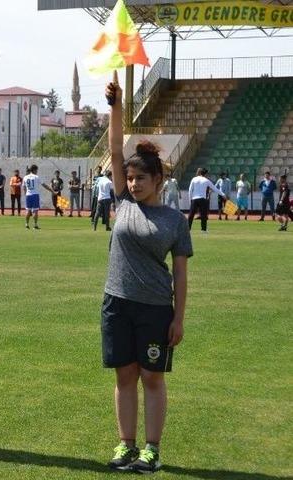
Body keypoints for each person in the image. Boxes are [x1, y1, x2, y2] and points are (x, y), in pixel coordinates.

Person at [103, 76, 192, 474]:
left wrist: (178, 317)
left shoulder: (175, 220)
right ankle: (126, 444)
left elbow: (181, 272)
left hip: (156, 308)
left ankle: (151, 450)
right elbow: (114, 148)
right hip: (116, 303)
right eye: (131, 178)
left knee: (152, 379)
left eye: (142, 179)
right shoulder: (122, 201)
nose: (135, 184)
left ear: (159, 181)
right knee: (125, 376)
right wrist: (116, 106)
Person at [187, 168, 226, 233]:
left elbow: (190, 190)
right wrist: (223, 194)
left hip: (194, 199)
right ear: (205, 174)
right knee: (203, 215)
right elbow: (215, 188)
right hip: (202, 199)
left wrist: (190, 200)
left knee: (191, 215)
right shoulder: (206, 180)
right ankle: (203, 230)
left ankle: (188, 229)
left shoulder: (194, 179)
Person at [23, 164, 52, 230]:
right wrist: (52, 191)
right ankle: (35, 225)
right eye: (36, 170)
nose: (37, 171)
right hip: (35, 195)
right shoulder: (36, 177)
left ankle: (27, 225)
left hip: (28, 195)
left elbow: (24, 187)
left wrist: (26, 194)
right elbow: (44, 185)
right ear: (34, 170)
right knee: (35, 211)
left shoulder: (25, 177)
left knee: (28, 210)